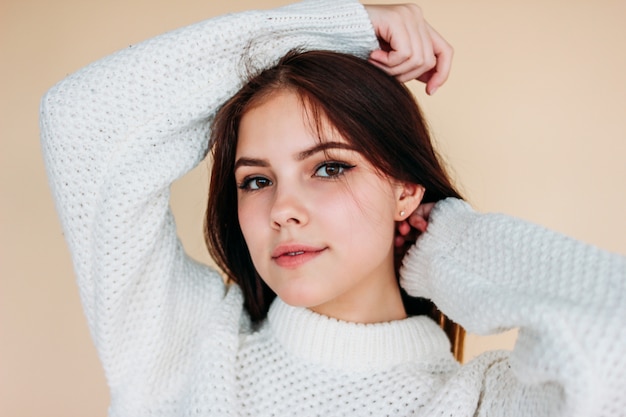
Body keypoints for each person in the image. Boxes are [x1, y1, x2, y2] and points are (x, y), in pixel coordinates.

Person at [40, 1, 625, 416]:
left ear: (405, 188)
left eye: (328, 167)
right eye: (255, 180)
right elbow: (81, 122)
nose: (282, 210)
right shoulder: (184, 346)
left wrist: (447, 243)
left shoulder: (483, 403)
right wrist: (332, 26)